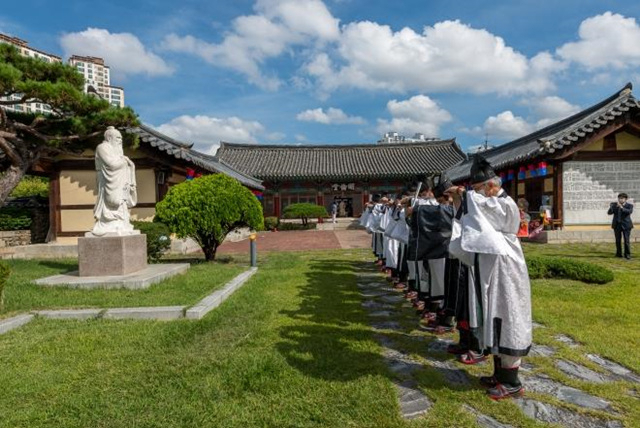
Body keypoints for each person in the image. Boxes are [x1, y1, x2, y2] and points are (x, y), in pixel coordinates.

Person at [448, 155, 532, 400]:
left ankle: (512, 381)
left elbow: (483, 209)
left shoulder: (504, 204)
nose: (478, 194)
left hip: (506, 265)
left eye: (479, 189)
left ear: (492, 186)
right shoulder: (493, 201)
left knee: (508, 317)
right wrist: (462, 197)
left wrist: (464, 194)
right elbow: (472, 216)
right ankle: (499, 374)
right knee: (493, 316)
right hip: (494, 264)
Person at [88, 126, 137, 237]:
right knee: (110, 202)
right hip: (107, 180)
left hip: (120, 181)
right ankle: (107, 222)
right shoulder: (102, 147)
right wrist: (125, 161)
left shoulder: (117, 151)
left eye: (121, 138)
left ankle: (121, 222)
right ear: (109, 138)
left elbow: (119, 163)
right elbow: (111, 164)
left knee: (121, 202)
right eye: (117, 138)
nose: (120, 141)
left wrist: (128, 164)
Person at [608, 193, 633, 259]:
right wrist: (611, 207)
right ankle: (618, 253)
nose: (620, 200)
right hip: (617, 225)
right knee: (618, 240)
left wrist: (621, 207)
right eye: (619, 198)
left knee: (626, 241)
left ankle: (627, 254)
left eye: (622, 198)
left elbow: (629, 211)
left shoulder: (629, 205)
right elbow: (609, 213)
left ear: (625, 199)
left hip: (626, 225)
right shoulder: (615, 205)